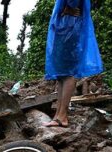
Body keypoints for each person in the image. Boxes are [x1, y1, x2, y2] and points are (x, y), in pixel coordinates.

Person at [43, 0, 103, 128]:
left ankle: (63, 116)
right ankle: (58, 115)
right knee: (60, 75)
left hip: (70, 28)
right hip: (64, 27)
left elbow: (73, 4)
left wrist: (65, 10)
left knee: (69, 72)